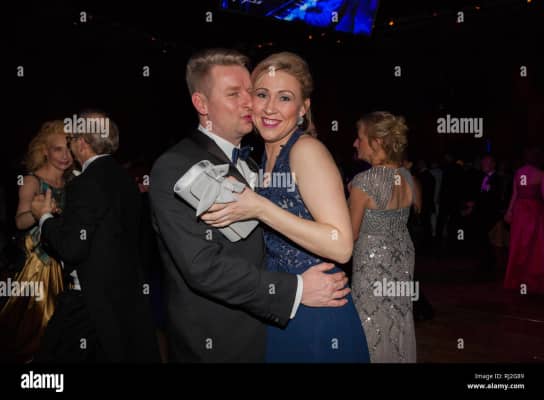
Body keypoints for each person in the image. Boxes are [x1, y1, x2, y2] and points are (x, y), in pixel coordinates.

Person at [149, 48, 351, 363]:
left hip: (282, 324)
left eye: (249, 92)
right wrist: (297, 289)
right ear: (201, 104)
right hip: (218, 342)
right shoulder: (176, 165)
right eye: (235, 94)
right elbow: (203, 267)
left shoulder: (256, 163)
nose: (249, 103)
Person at [201, 51, 369, 362]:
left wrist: (260, 208)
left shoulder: (306, 151)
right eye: (262, 94)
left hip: (317, 312)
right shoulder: (262, 158)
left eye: (285, 98)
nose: (270, 108)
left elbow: (342, 245)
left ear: (303, 108)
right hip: (284, 301)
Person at [31, 111, 160, 362]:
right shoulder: (125, 178)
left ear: (82, 143)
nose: (70, 148)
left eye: (71, 141)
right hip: (125, 300)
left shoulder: (85, 183)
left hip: (90, 303)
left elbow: (72, 249)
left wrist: (44, 217)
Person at [0, 120, 73, 362]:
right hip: (38, 265)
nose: (65, 156)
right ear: (45, 152)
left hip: (65, 261)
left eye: (68, 148)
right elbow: (19, 221)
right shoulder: (32, 181)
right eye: (57, 149)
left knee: (62, 327)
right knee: (35, 327)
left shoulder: (71, 182)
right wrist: (38, 212)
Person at [348, 111, 418, 363]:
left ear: (376, 142)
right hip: (403, 257)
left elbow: (349, 235)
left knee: (371, 321)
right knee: (397, 318)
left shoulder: (364, 182)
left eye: (359, 138)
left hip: (373, 263)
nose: (355, 143)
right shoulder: (407, 177)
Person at [504, 147, 544, 294]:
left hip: (520, 210)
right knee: (534, 246)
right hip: (534, 211)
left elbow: (514, 194)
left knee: (518, 245)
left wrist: (509, 212)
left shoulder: (519, 172)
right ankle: (530, 281)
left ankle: (516, 280)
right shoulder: (541, 174)